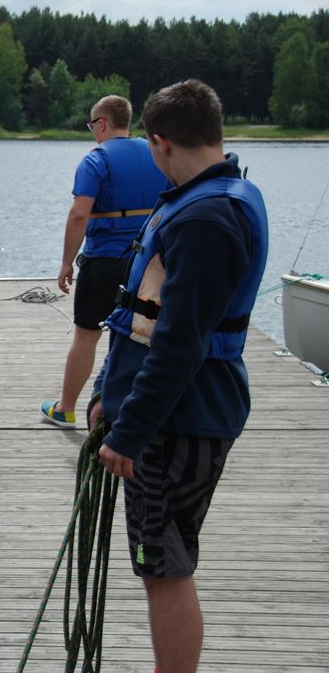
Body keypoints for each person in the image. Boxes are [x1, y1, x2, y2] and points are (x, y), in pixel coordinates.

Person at [91, 79, 268, 673]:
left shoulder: (207, 219)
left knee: (164, 567)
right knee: (162, 564)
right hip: (172, 416)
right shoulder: (206, 198)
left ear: (161, 143)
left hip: (179, 424)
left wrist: (129, 432)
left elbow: (180, 342)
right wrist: (107, 393)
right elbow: (139, 314)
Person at [41, 95, 168, 429]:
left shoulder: (96, 160)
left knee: (86, 336)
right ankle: (133, 409)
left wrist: (66, 262)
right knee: (138, 335)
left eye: (91, 125)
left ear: (101, 123)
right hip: (145, 265)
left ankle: (66, 409)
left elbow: (79, 214)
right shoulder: (154, 152)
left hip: (103, 260)